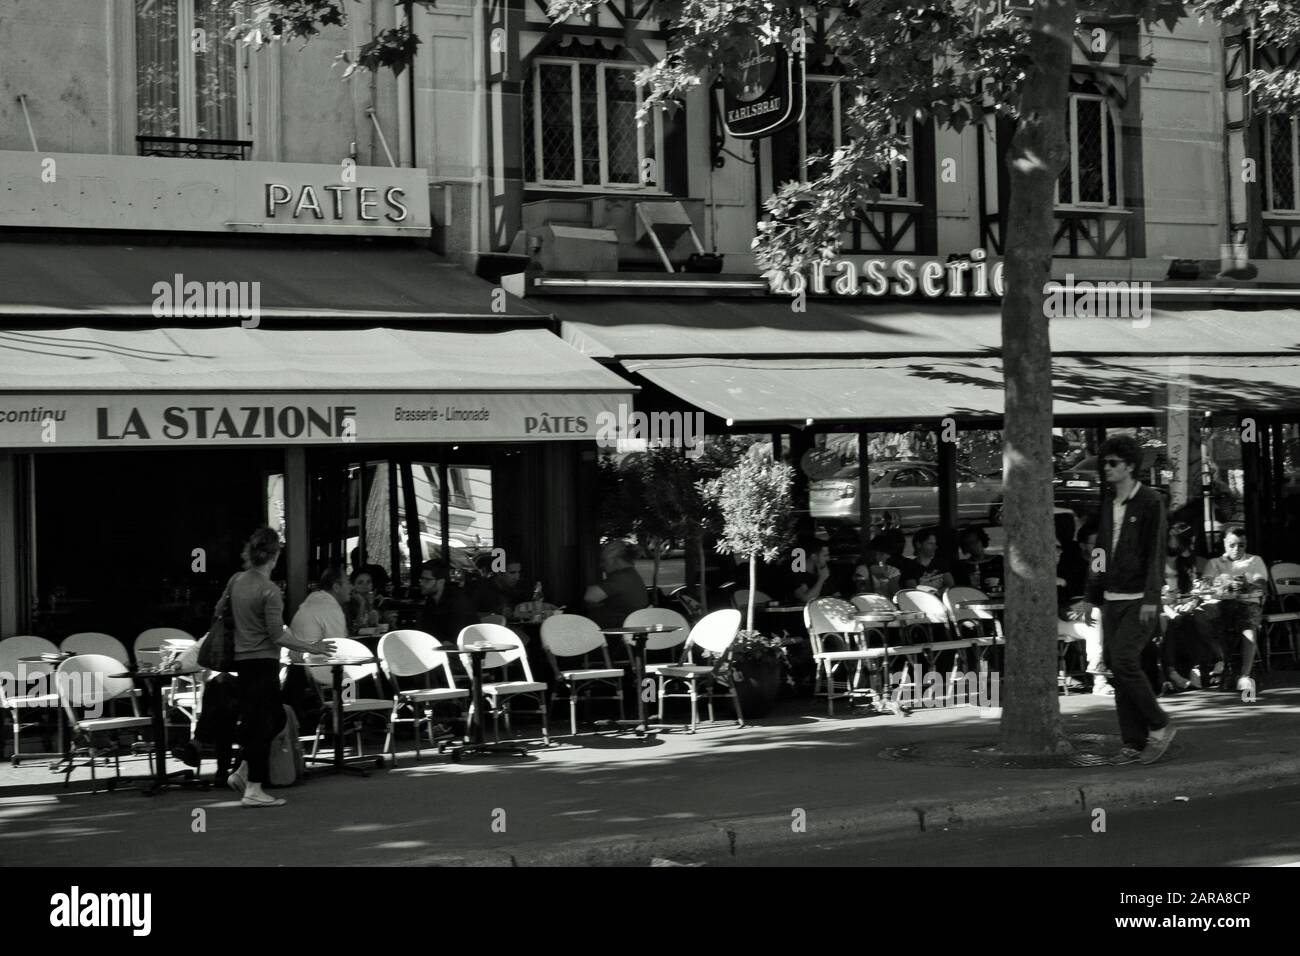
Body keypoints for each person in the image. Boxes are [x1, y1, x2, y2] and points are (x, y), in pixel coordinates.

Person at [1082, 435, 1176, 766]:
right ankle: (1132, 743)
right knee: (1117, 667)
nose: (1105, 469)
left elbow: (1156, 551)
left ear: (1130, 466)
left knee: (1123, 661)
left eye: (1112, 463)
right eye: (1103, 463)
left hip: (1140, 598)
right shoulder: (1108, 500)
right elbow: (1100, 550)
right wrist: (1091, 595)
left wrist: (1152, 598)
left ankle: (1160, 725)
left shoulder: (1150, 501)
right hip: (1111, 598)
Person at [226, 528, 335, 808]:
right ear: (275, 556)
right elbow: (278, 635)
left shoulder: (236, 581)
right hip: (263, 662)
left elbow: (219, 611)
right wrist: (313, 647)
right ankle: (253, 787)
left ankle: (244, 772)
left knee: (270, 717)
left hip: (242, 660)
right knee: (263, 723)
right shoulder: (270, 590)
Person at [1203, 527, 1268, 694]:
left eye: (1241, 545)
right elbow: (1205, 586)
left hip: (1247, 604)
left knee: (1248, 627)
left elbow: (1261, 584)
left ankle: (1244, 676)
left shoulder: (1254, 560)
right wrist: (1222, 583)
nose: (1236, 549)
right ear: (1224, 543)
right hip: (1221, 605)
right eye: (1232, 545)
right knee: (1204, 620)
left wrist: (1248, 584)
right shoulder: (1214, 563)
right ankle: (1225, 664)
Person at [1160, 522, 1211, 691]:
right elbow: (1152, 594)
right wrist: (1169, 607)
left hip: (1181, 606)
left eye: (1177, 539)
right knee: (1170, 621)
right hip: (1162, 608)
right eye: (1172, 538)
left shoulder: (1186, 564)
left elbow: (1194, 591)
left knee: (1192, 617)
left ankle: (1195, 669)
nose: (1173, 542)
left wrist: (1191, 603)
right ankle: (1172, 673)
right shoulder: (1156, 565)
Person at [584, 540, 649, 630]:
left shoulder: (621, 577)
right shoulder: (630, 574)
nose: (601, 565)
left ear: (614, 559)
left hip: (616, 633)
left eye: (603, 561)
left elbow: (590, 596)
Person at [417, 559, 479, 644]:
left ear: (441, 582)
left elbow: (458, 637)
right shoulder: (431, 601)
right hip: (440, 648)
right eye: (421, 579)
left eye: (427, 580)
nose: (422, 583)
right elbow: (426, 631)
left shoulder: (458, 602)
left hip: (462, 650)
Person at [894, 528, 954, 592]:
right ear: (918, 544)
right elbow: (914, 591)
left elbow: (951, 586)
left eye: (935, 543)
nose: (935, 547)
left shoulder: (940, 563)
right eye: (930, 543)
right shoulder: (909, 566)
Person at [953, 526, 1005, 595]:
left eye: (975, 541)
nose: (972, 546)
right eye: (968, 544)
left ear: (982, 540)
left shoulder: (998, 560)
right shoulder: (962, 566)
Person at [473, 554, 525, 620]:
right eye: (512, 573)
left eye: (519, 572)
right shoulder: (481, 590)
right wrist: (497, 613)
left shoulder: (516, 589)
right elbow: (471, 615)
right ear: (499, 573)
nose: (517, 577)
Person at [348, 564, 390, 632]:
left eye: (368, 582)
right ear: (353, 586)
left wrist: (373, 605)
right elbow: (355, 628)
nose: (365, 585)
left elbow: (381, 626)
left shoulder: (374, 600)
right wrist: (362, 604)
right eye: (360, 582)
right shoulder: (349, 603)